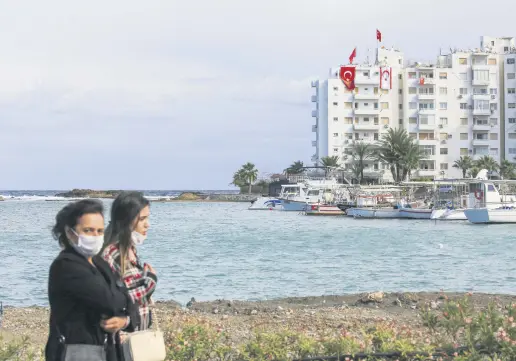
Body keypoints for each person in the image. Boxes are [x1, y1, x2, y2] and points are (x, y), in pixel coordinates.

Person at [45, 199, 140, 361]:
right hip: (76, 352)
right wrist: (122, 296)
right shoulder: (66, 266)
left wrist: (125, 320)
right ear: (69, 232)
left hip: (107, 351)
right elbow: (110, 301)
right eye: (88, 230)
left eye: (100, 231)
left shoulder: (99, 262)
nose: (95, 236)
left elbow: (132, 307)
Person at [102, 191, 157, 331]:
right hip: (123, 341)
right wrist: (149, 283)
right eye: (142, 219)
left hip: (138, 336)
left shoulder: (129, 251)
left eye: (147, 218)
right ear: (127, 220)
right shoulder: (112, 254)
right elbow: (114, 300)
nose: (147, 225)